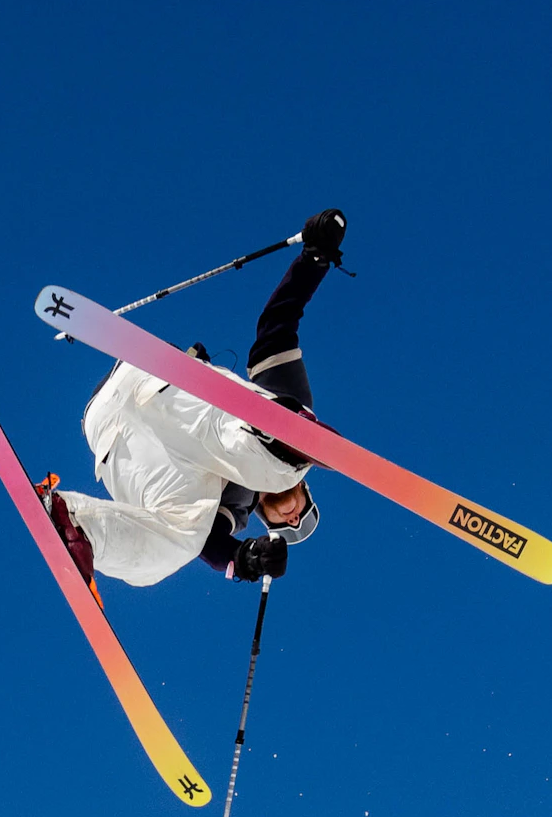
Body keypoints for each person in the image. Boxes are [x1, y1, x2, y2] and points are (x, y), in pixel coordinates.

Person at [45, 209, 347, 590]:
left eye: (287, 529)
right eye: (304, 516)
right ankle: (286, 437)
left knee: (179, 545)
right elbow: (277, 327)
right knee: (274, 462)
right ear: (307, 495)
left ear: (264, 522)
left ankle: (77, 526)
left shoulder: (236, 507)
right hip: (164, 387)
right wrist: (314, 259)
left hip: (110, 435)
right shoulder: (289, 410)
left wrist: (245, 558)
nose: (292, 520)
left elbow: (212, 545)